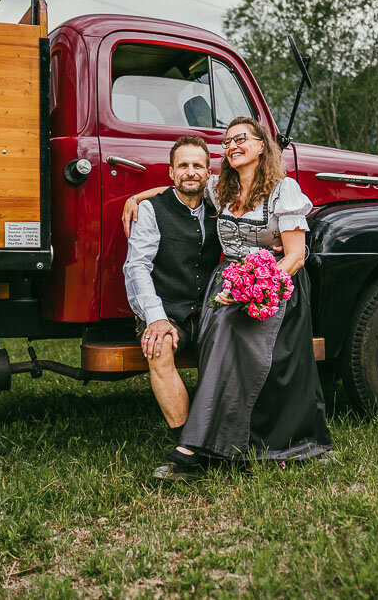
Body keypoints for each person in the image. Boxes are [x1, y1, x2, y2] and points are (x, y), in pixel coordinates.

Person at [123, 117, 332, 481]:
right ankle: (212, 441)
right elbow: (182, 189)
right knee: (219, 330)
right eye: (227, 141)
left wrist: (255, 286)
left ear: (262, 146)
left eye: (241, 139)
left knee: (233, 333)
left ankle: (198, 446)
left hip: (277, 285)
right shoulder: (221, 187)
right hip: (228, 284)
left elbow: (295, 258)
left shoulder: (285, 191)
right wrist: (136, 198)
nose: (232, 146)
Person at [123, 136, 221, 444]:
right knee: (159, 348)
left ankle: (231, 435)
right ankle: (187, 441)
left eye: (197, 166)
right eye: (183, 166)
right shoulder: (151, 210)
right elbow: (136, 267)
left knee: (239, 345)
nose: (190, 172)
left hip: (208, 307)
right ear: (171, 172)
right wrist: (156, 318)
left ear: (208, 173)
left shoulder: (218, 204)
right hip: (167, 309)